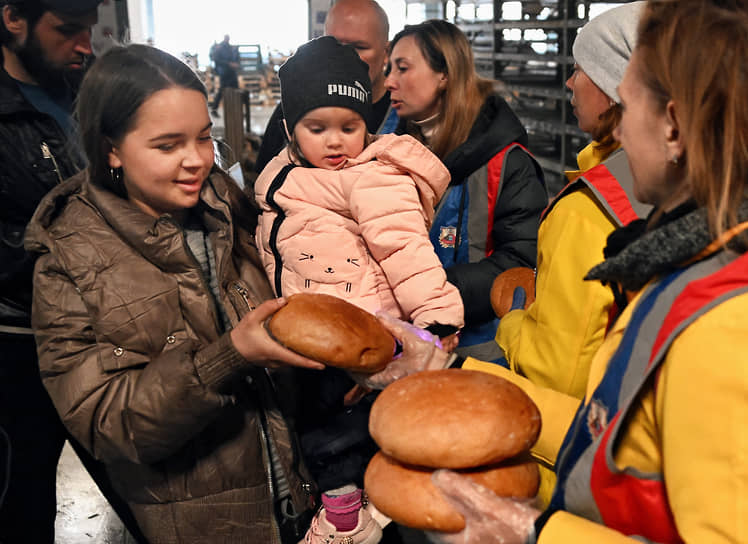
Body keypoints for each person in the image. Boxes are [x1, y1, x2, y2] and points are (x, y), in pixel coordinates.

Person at [367, 0, 748, 541]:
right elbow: (606, 435)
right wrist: (450, 374)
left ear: (674, 127)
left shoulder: (723, 318)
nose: (619, 130)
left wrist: (535, 535)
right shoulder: (683, 264)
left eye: (629, 100)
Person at [24, 43, 328, 543]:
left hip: (297, 494)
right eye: (168, 146)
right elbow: (106, 423)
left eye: (204, 138)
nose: (196, 161)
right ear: (112, 148)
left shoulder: (224, 206)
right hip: (204, 525)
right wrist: (229, 357)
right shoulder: (68, 259)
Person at [255, 35, 463, 544]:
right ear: (289, 130)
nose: (335, 142)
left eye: (349, 127)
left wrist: (438, 319)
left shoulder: (370, 179)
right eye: (317, 128)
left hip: (366, 336)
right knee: (312, 430)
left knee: (330, 438)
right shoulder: (282, 176)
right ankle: (356, 501)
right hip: (311, 336)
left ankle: (348, 521)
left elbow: (407, 251)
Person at [494, 2, 651, 506]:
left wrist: (513, 321)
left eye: (580, 70)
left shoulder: (588, 210)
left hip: (567, 475)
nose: (569, 83)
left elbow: (554, 374)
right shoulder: (676, 183)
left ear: (612, 89)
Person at [0, 1, 127, 542]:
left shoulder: (80, 96)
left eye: (88, 29)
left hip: (104, 329)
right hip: (18, 344)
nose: (85, 45)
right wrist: (77, 258)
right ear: (13, 19)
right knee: (22, 500)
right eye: (67, 31)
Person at [385, 19, 547, 362]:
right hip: (398, 345)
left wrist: (430, 291)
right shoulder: (383, 147)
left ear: (444, 74)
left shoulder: (507, 163)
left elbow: (520, 262)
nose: (389, 82)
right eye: (389, 68)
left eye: (403, 68)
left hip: (476, 354)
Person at [254, 0, 397, 175]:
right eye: (334, 45)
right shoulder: (292, 109)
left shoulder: (404, 116)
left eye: (358, 47)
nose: (344, 57)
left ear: (386, 53)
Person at [209, 33, 239, 116]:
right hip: (224, 72)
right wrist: (228, 64)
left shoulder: (230, 48)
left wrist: (235, 64)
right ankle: (214, 109)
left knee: (236, 90)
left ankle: (237, 109)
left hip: (232, 72)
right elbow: (216, 60)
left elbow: (234, 58)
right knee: (222, 90)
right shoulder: (219, 48)